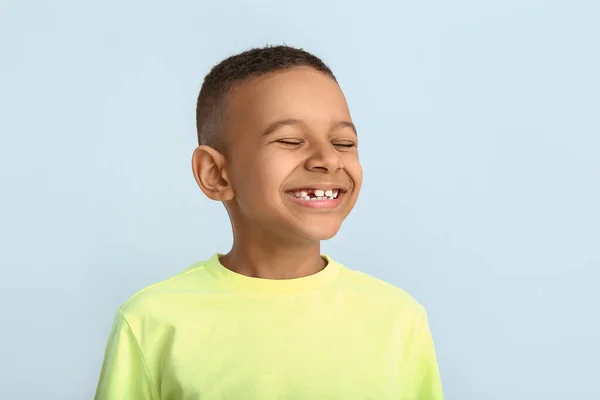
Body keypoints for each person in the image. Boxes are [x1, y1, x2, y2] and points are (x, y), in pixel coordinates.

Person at [95, 45, 444, 400]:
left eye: (344, 142)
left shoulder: (399, 319)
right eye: (290, 140)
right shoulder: (151, 322)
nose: (328, 159)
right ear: (215, 173)